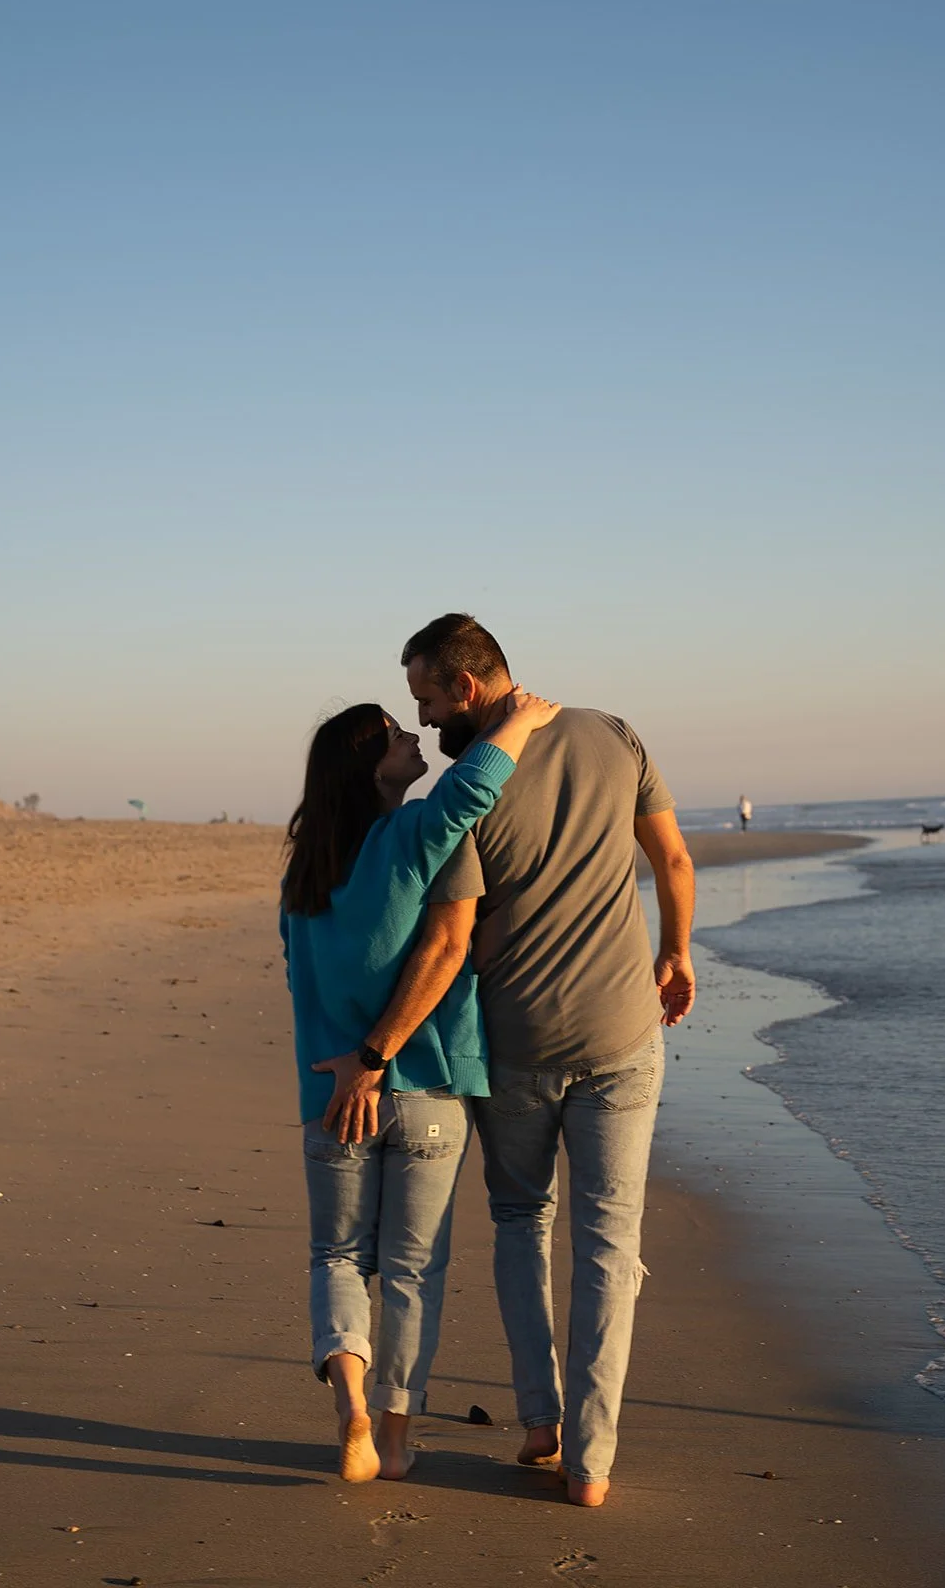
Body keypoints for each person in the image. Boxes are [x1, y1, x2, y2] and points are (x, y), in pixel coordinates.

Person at [370, 613, 695, 1507]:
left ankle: (539, 1421)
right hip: (623, 1037)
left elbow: (452, 939)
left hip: (514, 1048)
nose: (427, 721)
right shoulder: (615, 734)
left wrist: (379, 1046)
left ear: (466, 688)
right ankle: (590, 1464)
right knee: (607, 1243)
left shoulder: (466, 797)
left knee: (521, 1222)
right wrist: (676, 952)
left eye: (428, 699)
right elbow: (670, 856)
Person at [280, 687, 560, 1485]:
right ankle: (396, 1439)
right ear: (371, 770)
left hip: (334, 1093)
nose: (413, 739)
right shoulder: (409, 836)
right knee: (412, 1270)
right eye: (397, 737)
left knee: (336, 1256)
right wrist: (524, 717)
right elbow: (473, 787)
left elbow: (299, 980)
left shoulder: (304, 878)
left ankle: (351, 1406)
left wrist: (344, 1061)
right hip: (427, 1086)